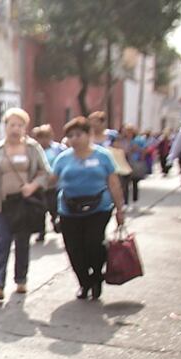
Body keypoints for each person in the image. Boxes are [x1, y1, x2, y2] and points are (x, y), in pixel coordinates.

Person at [0, 108, 52, 300]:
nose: (15, 129)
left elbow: (45, 172)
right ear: (5, 126)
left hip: (23, 202)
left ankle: (21, 280)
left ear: (25, 127)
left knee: (22, 242)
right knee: (3, 242)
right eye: (12, 125)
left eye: (20, 125)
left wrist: (32, 186)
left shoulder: (32, 148)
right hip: (1, 203)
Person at [49, 116, 127, 300]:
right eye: (70, 136)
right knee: (74, 248)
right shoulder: (63, 159)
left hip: (98, 208)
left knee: (93, 243)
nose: (74, 139)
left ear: (89, 134)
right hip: (69, 210)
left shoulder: (103, 156)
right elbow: (51, 180)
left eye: (78, 134)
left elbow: (114, 184)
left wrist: (120, 209)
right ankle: (84, 283)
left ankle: (97, 276)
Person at [32, 124, 65, 242]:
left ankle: (56, 222)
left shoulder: (58, 149)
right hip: (39, 185)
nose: (43, 140)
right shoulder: (34, 150)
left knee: (54, 206)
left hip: (55, 184)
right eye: (40, 137)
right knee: (40, 209)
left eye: (46, 137)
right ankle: (41, 231)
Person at [114, 124, 146, 210]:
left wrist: (137, 150)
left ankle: (135, 200)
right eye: (125, 131)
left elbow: (144, 150)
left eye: (129, 131)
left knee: (135, 182)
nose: (127, 133)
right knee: (124, 184)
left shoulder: (138, 140)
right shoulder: (121, 140)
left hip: (134, 163)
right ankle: (125, 202)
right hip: (123, 163)